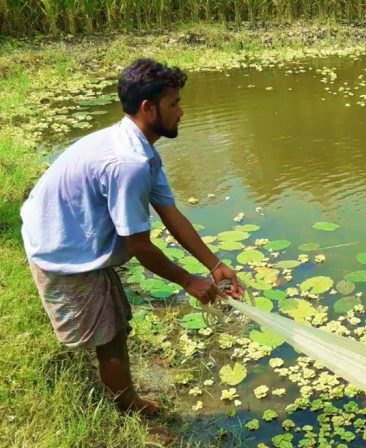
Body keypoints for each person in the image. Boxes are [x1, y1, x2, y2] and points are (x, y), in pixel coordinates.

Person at [20, 58, 244, 416]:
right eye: (174, 104)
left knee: (116, 326)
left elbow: (171, 213)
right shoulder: (129, 163)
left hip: (69, 230)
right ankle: (129, 413)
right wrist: (189, 281)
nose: (181, 112)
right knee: (108, 339)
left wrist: (215, 265)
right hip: (61, 248)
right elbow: (139, 245)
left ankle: (126, 398)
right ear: (148, 107)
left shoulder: (141, 149)